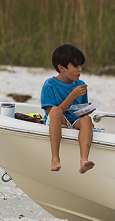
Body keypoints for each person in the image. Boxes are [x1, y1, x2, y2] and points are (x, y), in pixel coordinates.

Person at [41, 44, 96, 173]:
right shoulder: (49, 84)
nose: (80, 69)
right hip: (56, 120)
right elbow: (52, 113)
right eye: (76, 66)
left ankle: (84, 160)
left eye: (81, 65)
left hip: (74, 120)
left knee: (87, 119)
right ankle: (55, 158)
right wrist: (72, 95)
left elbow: (80, 112)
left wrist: (87, 109)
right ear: (61, 68)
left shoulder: (81, 85)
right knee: (56, 110)